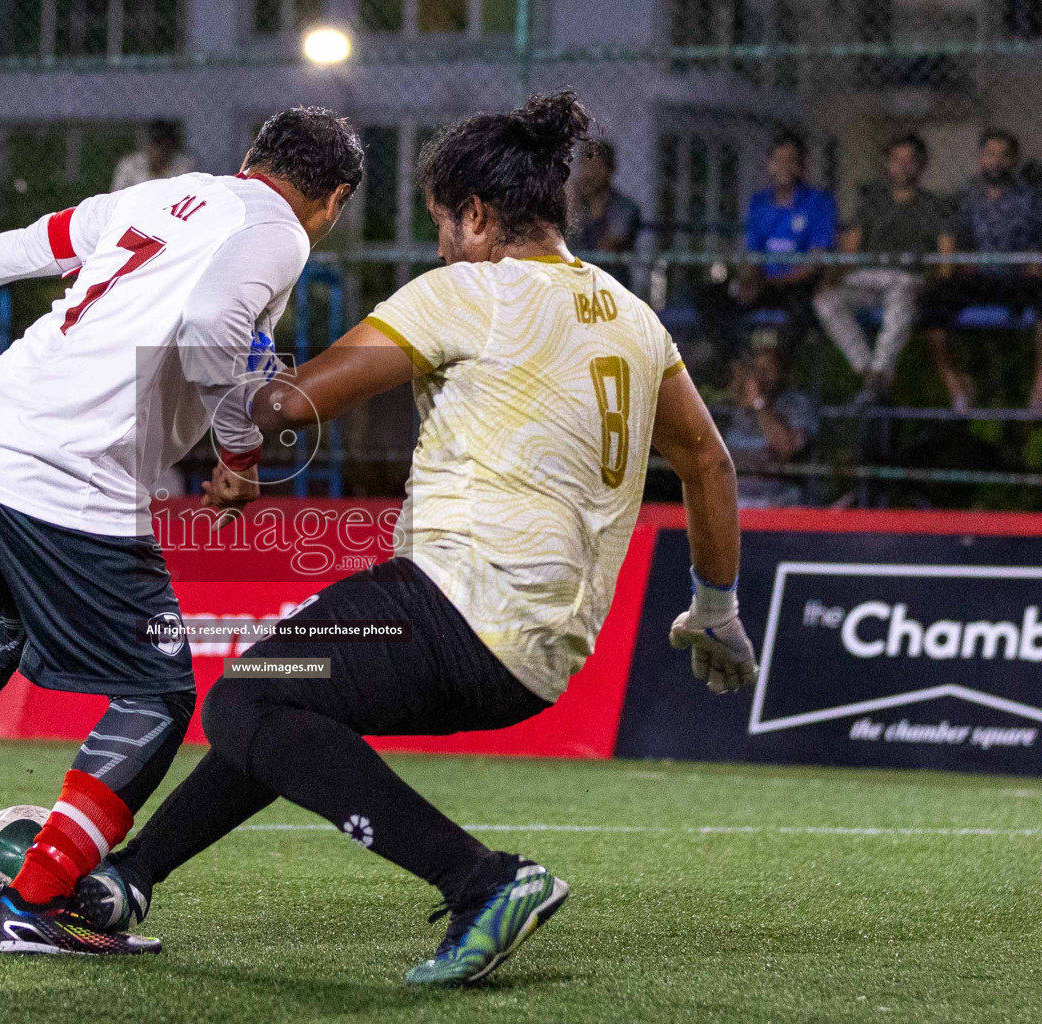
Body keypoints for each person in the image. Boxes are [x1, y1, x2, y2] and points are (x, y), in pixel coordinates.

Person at [65, 93, 759, 987]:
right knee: (291, 703)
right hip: (542, 661)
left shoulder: (470, 290)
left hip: (456, 604)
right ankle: (129, 879)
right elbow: (709, 465)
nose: (438, 247)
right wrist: (716, 607)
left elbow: (285, 412)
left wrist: (215, 339)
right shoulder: (634, 318)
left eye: (442, 224)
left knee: (247, 702)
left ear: (476, 216)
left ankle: (484, 881)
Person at [0, 106, 364, 958]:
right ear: (331, 198)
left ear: (248, 156)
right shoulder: (281, 233)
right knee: (157, 694)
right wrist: (240, 451)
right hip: (67, 475)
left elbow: (42, 239)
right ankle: (35, 903)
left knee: (8, 613)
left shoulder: (171, 195)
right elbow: (211, 325)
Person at [812, 134, 953, 404]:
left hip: (908, 277)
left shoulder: (936, 206)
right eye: (896, 160)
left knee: (902, 294)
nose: (903, 166)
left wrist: (933, 280)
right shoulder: (872, 203)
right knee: (825, 300)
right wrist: (830, 279)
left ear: (922, 164)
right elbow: (849, 251)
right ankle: (868, 370)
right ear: (887, 164)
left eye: (910, 160)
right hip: (868, 278)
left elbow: (946, 260)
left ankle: (879, 372)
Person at [919, 130, 1042, 412]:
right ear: (980, 158)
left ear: (1013, 160)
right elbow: (953, 240)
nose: (996, 162)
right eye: (990, 154)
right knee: (931, 300)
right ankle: (957, 384)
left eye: (1003, 155)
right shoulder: (967, 197)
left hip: (1019, 277)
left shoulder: (1032, 198)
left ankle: (1040, 386)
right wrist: (952, 266)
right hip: (979, 276)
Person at [705, 132, 836, 362]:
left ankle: (777, 374)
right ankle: (737, 366)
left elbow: (815, 262)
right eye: (778, 160)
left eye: (791, 160)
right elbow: (754, 254)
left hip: (796, 286)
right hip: (764, 283)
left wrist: (770, 282)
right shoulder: (759, 202)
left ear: (801, 166)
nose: (784, 166)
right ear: (770, 165)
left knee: (802, 312)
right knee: (710, 297)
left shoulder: (818, 202)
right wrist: (749, 281)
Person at [720, 346, 817, 508]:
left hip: (780, 497)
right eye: (757, 369)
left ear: (783, 373)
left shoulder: (797, 403)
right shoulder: (728, 406)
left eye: (769, 369)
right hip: (734, 494)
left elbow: (787, 449)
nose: (761, 376)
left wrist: (759, 404)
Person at [566, 140, 640, 286]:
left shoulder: (623, 208)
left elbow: (609, 246)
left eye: (596, 167)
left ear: (610, 170)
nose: (589, 174)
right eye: (585, 166)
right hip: (575, 283)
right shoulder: (572, 203)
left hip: (610, 283)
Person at [111, 120, 195, 192]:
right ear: (147, 145)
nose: (161, 149)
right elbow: (116, 195)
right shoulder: (129, 165)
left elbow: (191, 195)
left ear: (172, 145)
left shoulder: (184, 166)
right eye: (157, 143)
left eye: (166, 144)